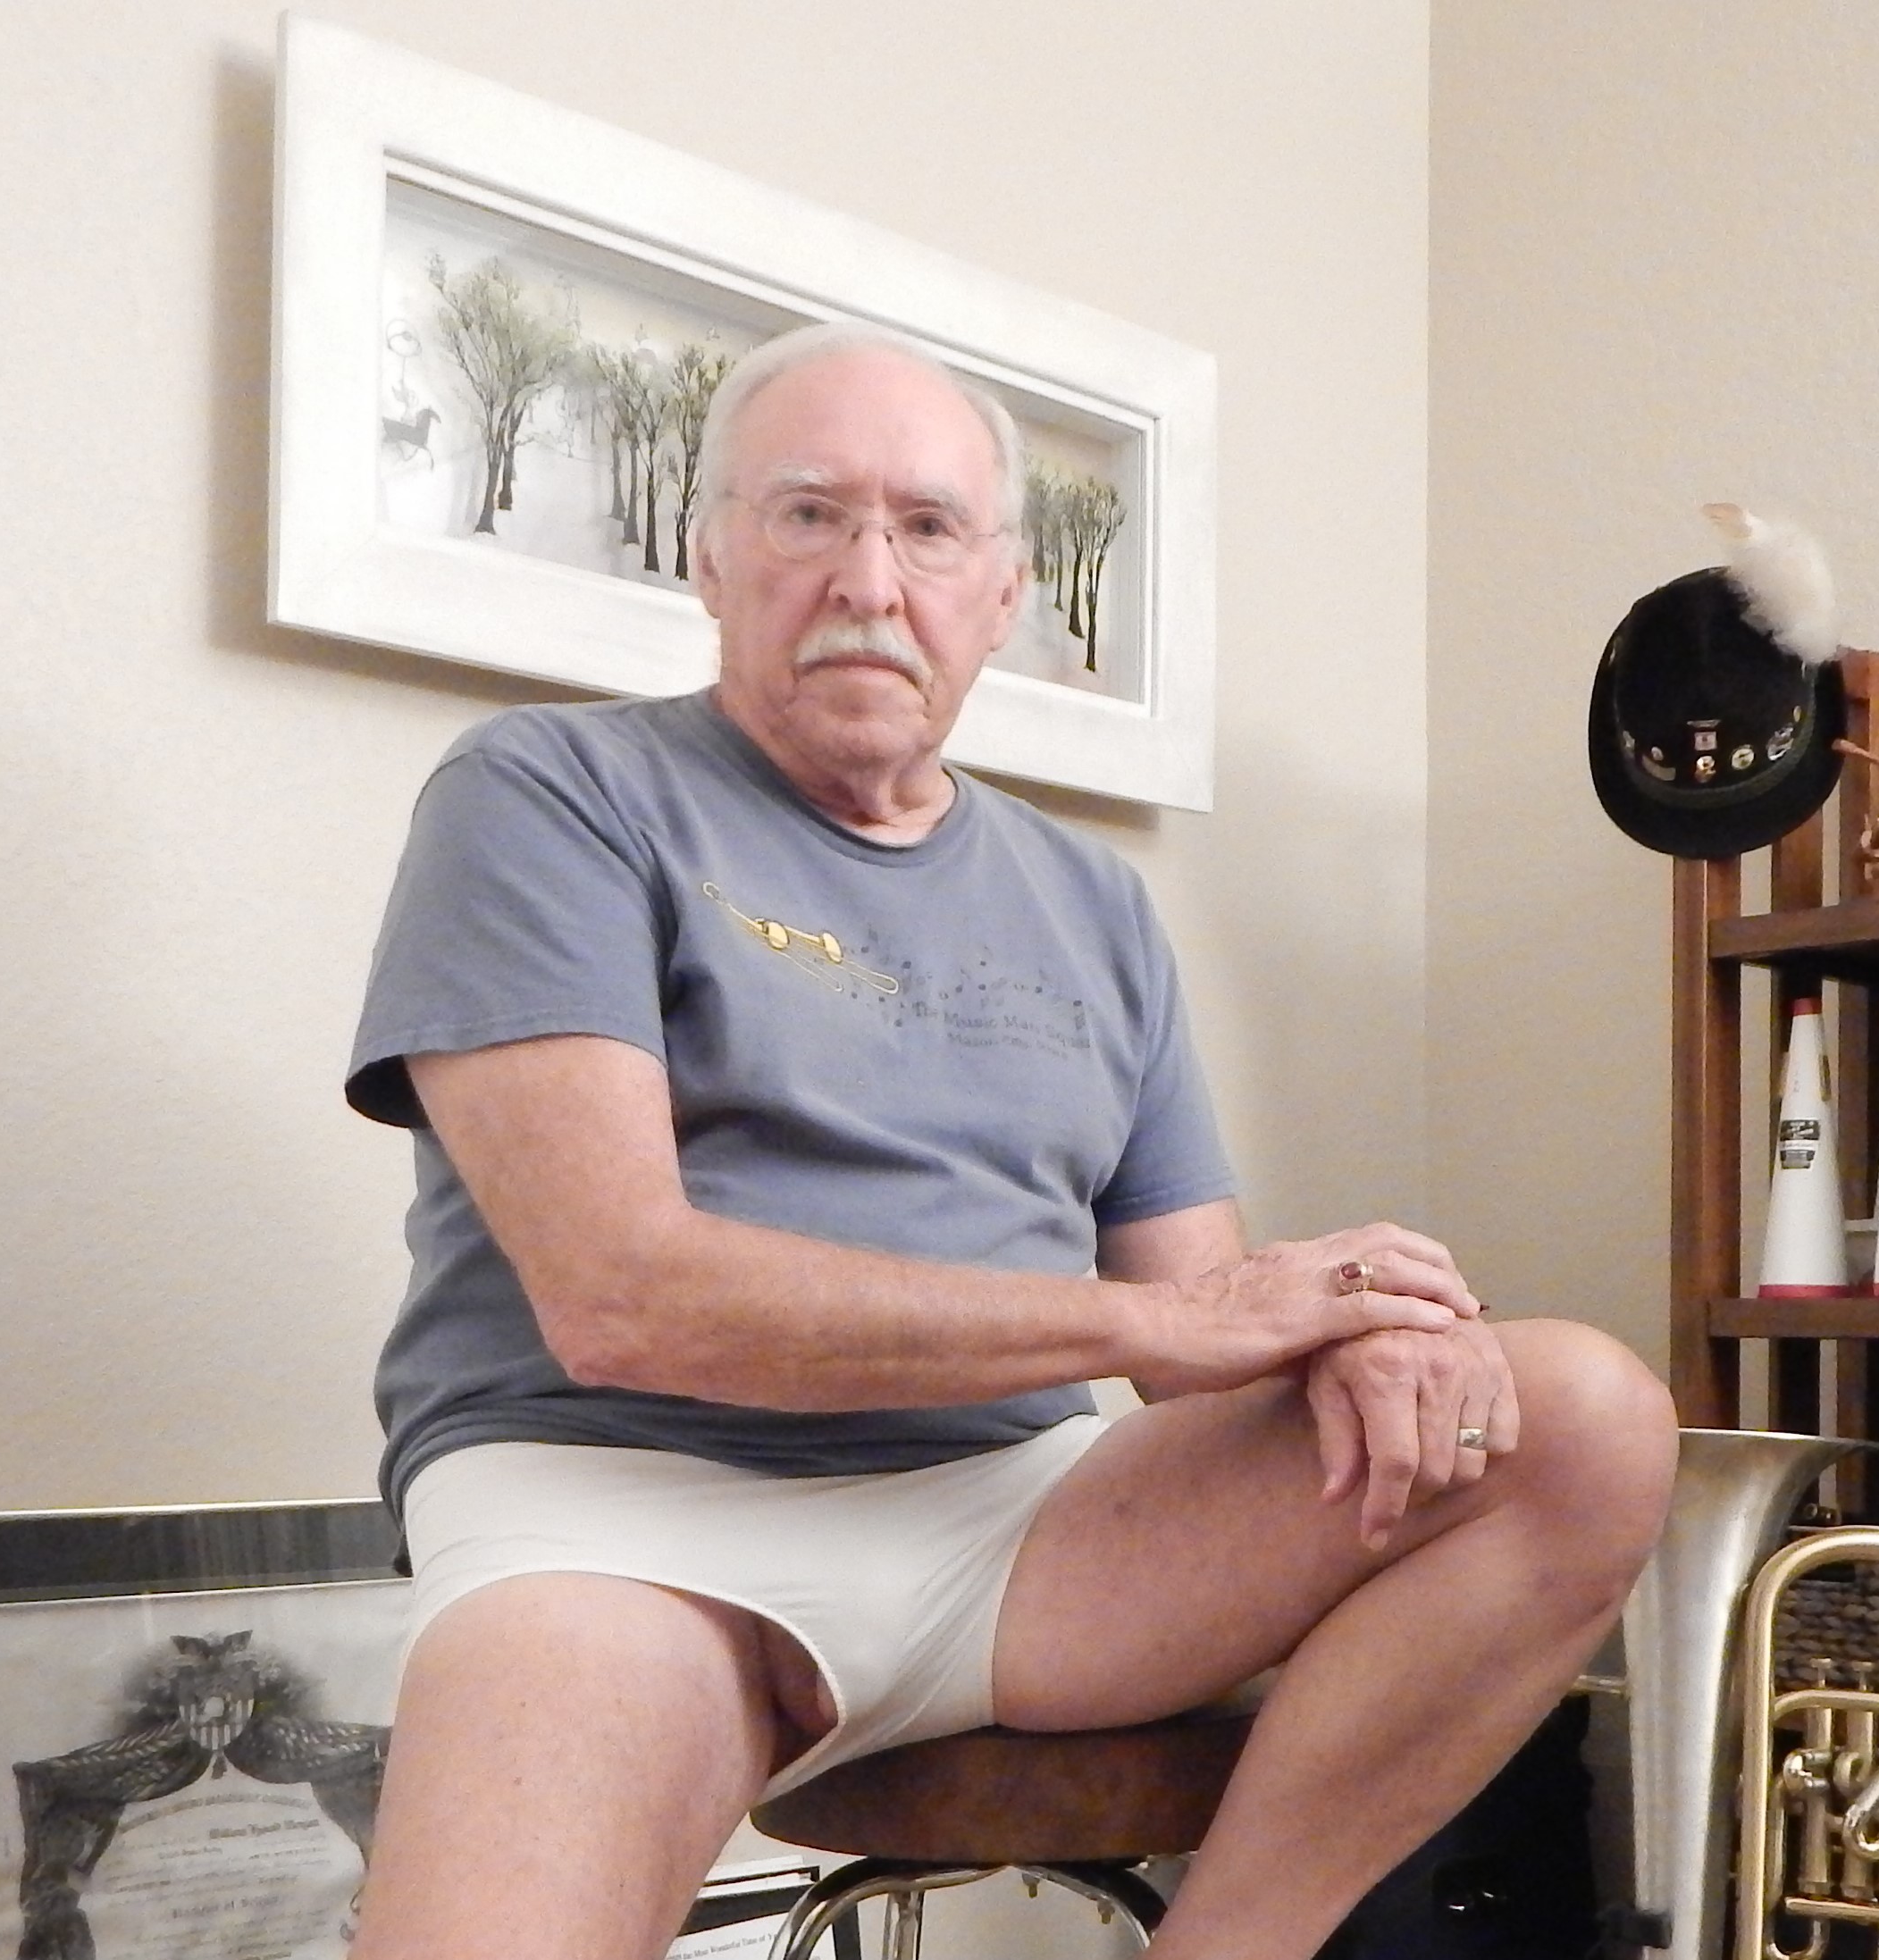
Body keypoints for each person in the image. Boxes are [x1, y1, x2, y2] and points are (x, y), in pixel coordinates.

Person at [342, 321, 1678, 1960]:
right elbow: (626, 1298)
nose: (867, 578)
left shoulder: (1094, 901)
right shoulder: (548, 790)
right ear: (710, 556)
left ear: (1001, 591)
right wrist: (1164, 1322)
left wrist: (1363, 1333)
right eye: (809, 513)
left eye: (928, 527)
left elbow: (1206, 1348)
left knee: (1583, 1414)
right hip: (615, 1508)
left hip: (1021, 1528)